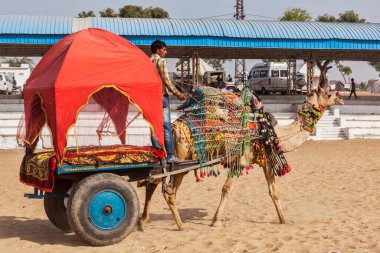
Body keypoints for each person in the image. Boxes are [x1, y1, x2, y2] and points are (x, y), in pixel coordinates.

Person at [150, 40, 186, 162]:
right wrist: (178, 93)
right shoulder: (161, 61)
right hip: (161, 96)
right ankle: (170, 155)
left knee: (154, 127)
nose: (166, 52)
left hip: (151, 97)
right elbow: (166, 79)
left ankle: (157, 155)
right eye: (164, 49)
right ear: (158, 50)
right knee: (165, 126)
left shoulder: (148, 61)